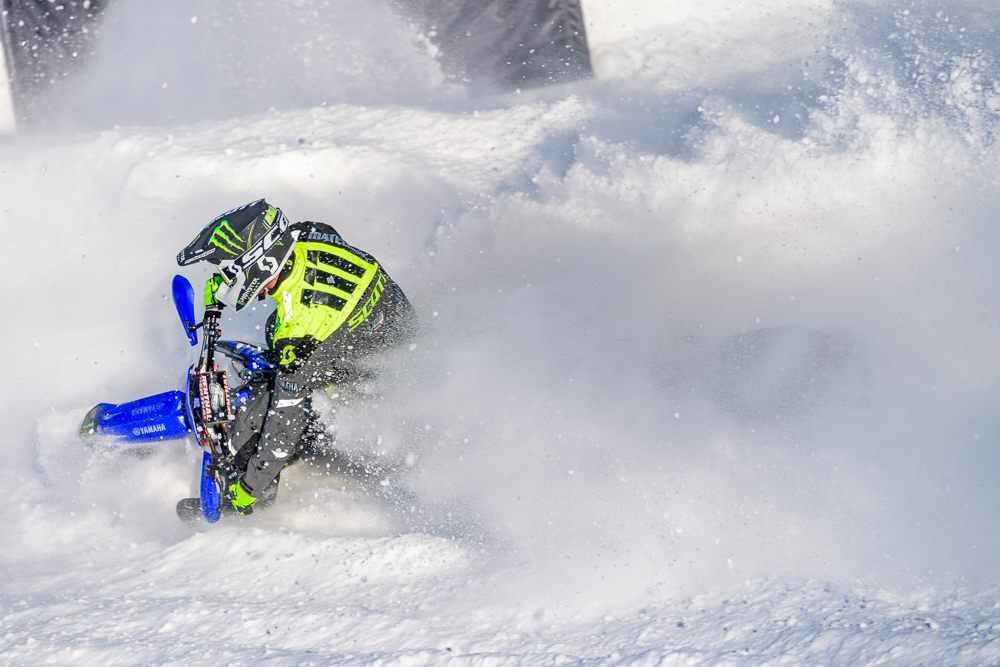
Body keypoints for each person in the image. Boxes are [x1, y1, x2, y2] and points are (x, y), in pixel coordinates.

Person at [177, 199, 416, 514]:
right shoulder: (303, 236)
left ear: (260, 263)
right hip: (388, 326)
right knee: (274, 334)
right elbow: (327, 233)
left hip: (376, 373)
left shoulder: (302, 331)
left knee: (271, 394)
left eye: (229, 268)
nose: (225, 275)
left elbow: (284, 422)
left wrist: (249, 489)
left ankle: (263, 488)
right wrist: (227, 283)